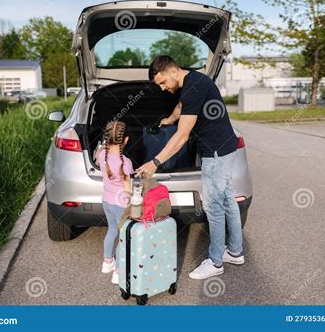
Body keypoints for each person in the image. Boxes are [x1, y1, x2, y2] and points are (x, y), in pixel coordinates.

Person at [136, 55, 244, 280]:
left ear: (174, 71)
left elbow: (183, 135)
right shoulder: (193, 81)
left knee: (214, 208)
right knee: (228, 201)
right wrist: (169, 119)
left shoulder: (192, 87)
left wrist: (155, 162)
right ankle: (235, 252)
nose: (163, 88)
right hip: (227, 147)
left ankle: (215, 262)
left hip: (215, 152)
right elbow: (181, 106)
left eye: (163, 83)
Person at [97, 121, 133, 284]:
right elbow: (128, 188)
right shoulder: (125, 162)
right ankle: (118, 272)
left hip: (106, 202)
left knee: (112, 230)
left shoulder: (100, 154)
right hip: (121, 205)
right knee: (124, 237)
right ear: (125, 140)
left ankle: (107, 262)